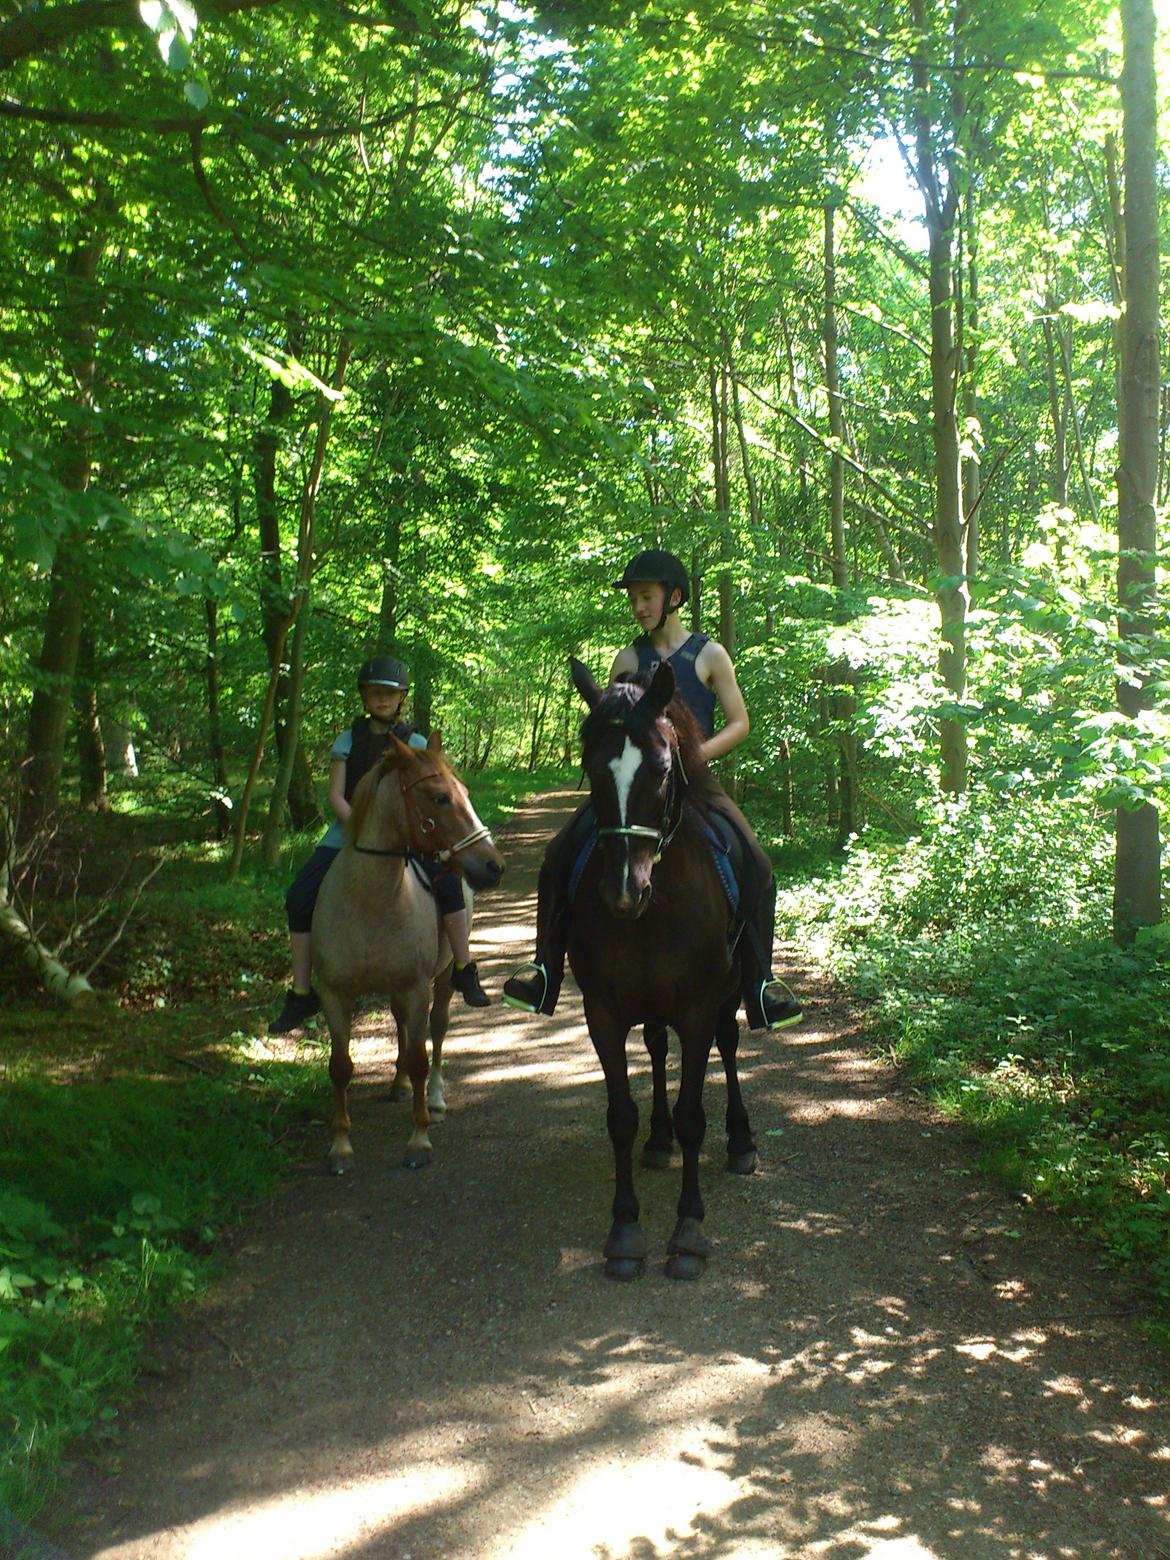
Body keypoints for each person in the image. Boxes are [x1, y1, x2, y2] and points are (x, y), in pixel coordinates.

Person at [501, 548, 803, 1032]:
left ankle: (761, 983)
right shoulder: (628, 657)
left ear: (674, 597)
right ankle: (544, 972)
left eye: (647, 596)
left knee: (757, 862)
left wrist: (692, 756)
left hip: (696, 783)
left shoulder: (709, 654)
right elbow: (615, 722)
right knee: (561, 853)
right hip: (638, 785)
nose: (638, 606)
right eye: (634, 599)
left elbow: (740, 722)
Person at [270, 655, 490, 1034]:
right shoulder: (348, 740)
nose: (381, 699)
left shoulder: (416, 742)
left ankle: (463, 967)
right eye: (374, 693)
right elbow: (337, 795)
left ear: (401, 697)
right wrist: (358, 825)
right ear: (364, 696)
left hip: (410, 834)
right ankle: (301, 992)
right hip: (348, 834)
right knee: (299, 896)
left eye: (389, 694)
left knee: (450, 885)